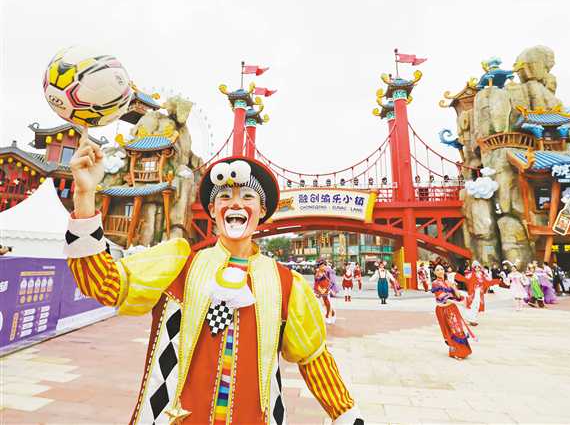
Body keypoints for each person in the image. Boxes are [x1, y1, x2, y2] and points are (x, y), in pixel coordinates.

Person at [63, 140, 362, 424]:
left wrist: (345, 413)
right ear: (213, 211)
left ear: (262, 212)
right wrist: (85, 196)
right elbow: (103, 284)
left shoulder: (286, 284)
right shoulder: (178, 263)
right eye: (225, 197)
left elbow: (313, 358)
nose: (236, 204)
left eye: (248, 197)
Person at [431, 264, 475, 359]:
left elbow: (458, 296)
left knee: (457, 328)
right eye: (437, 270)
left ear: (444, 271)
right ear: (434, 272)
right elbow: (442, 298)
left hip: (452, 308)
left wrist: (454, 287)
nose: (440, 271)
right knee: (449, 330)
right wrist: (459, 303)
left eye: (441, 269)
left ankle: (463, 351)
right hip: (442, 310)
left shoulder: (448, 282)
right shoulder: (435, 283)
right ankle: (455, 352)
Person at [460, 261, 498, 326]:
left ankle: (473, 319)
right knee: (472, 305)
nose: (477, 268)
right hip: (473, 292)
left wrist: (496, 281)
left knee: (477, 306)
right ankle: (471, 319)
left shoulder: (482, 274)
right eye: (475, 267)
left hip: (480, 292)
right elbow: (466, 280)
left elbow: (487, 281)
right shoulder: (471, 274)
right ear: (473, 268)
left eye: (478, 267)